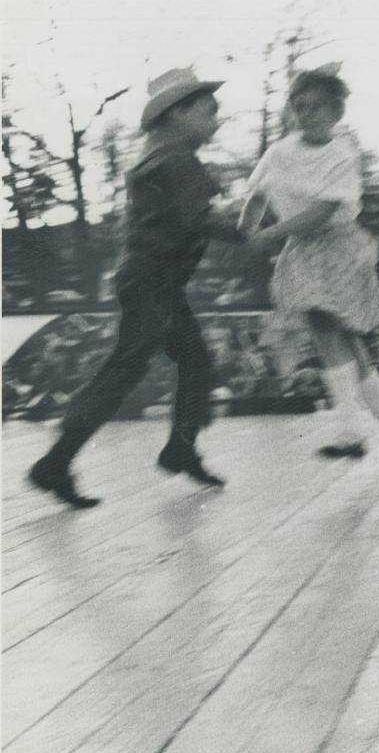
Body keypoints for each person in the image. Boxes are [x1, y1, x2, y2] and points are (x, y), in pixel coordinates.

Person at [28, 69, 242, 508]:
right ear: (178, 113)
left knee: (192, 361)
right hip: (154, 282)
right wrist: (252, 228)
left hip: (150, 280)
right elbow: (197, 220)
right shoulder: (177, 159)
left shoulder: (159, 155)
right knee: (125, 370)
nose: (215, 122)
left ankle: (178, 447)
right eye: (208, 112)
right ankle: (57, 461)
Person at [239, 65, 379, 480]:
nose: (307, 114)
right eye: (300, 106)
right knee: (342, 342)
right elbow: (257, 194)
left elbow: (322, 213)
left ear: (337, 110)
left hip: (337, 246)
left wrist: (270, 234)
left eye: (317, 106)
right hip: (302, 249)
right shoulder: (280, 151)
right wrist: (247, 229)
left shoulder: (342, 154)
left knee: (334, 334)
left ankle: (352, 430)